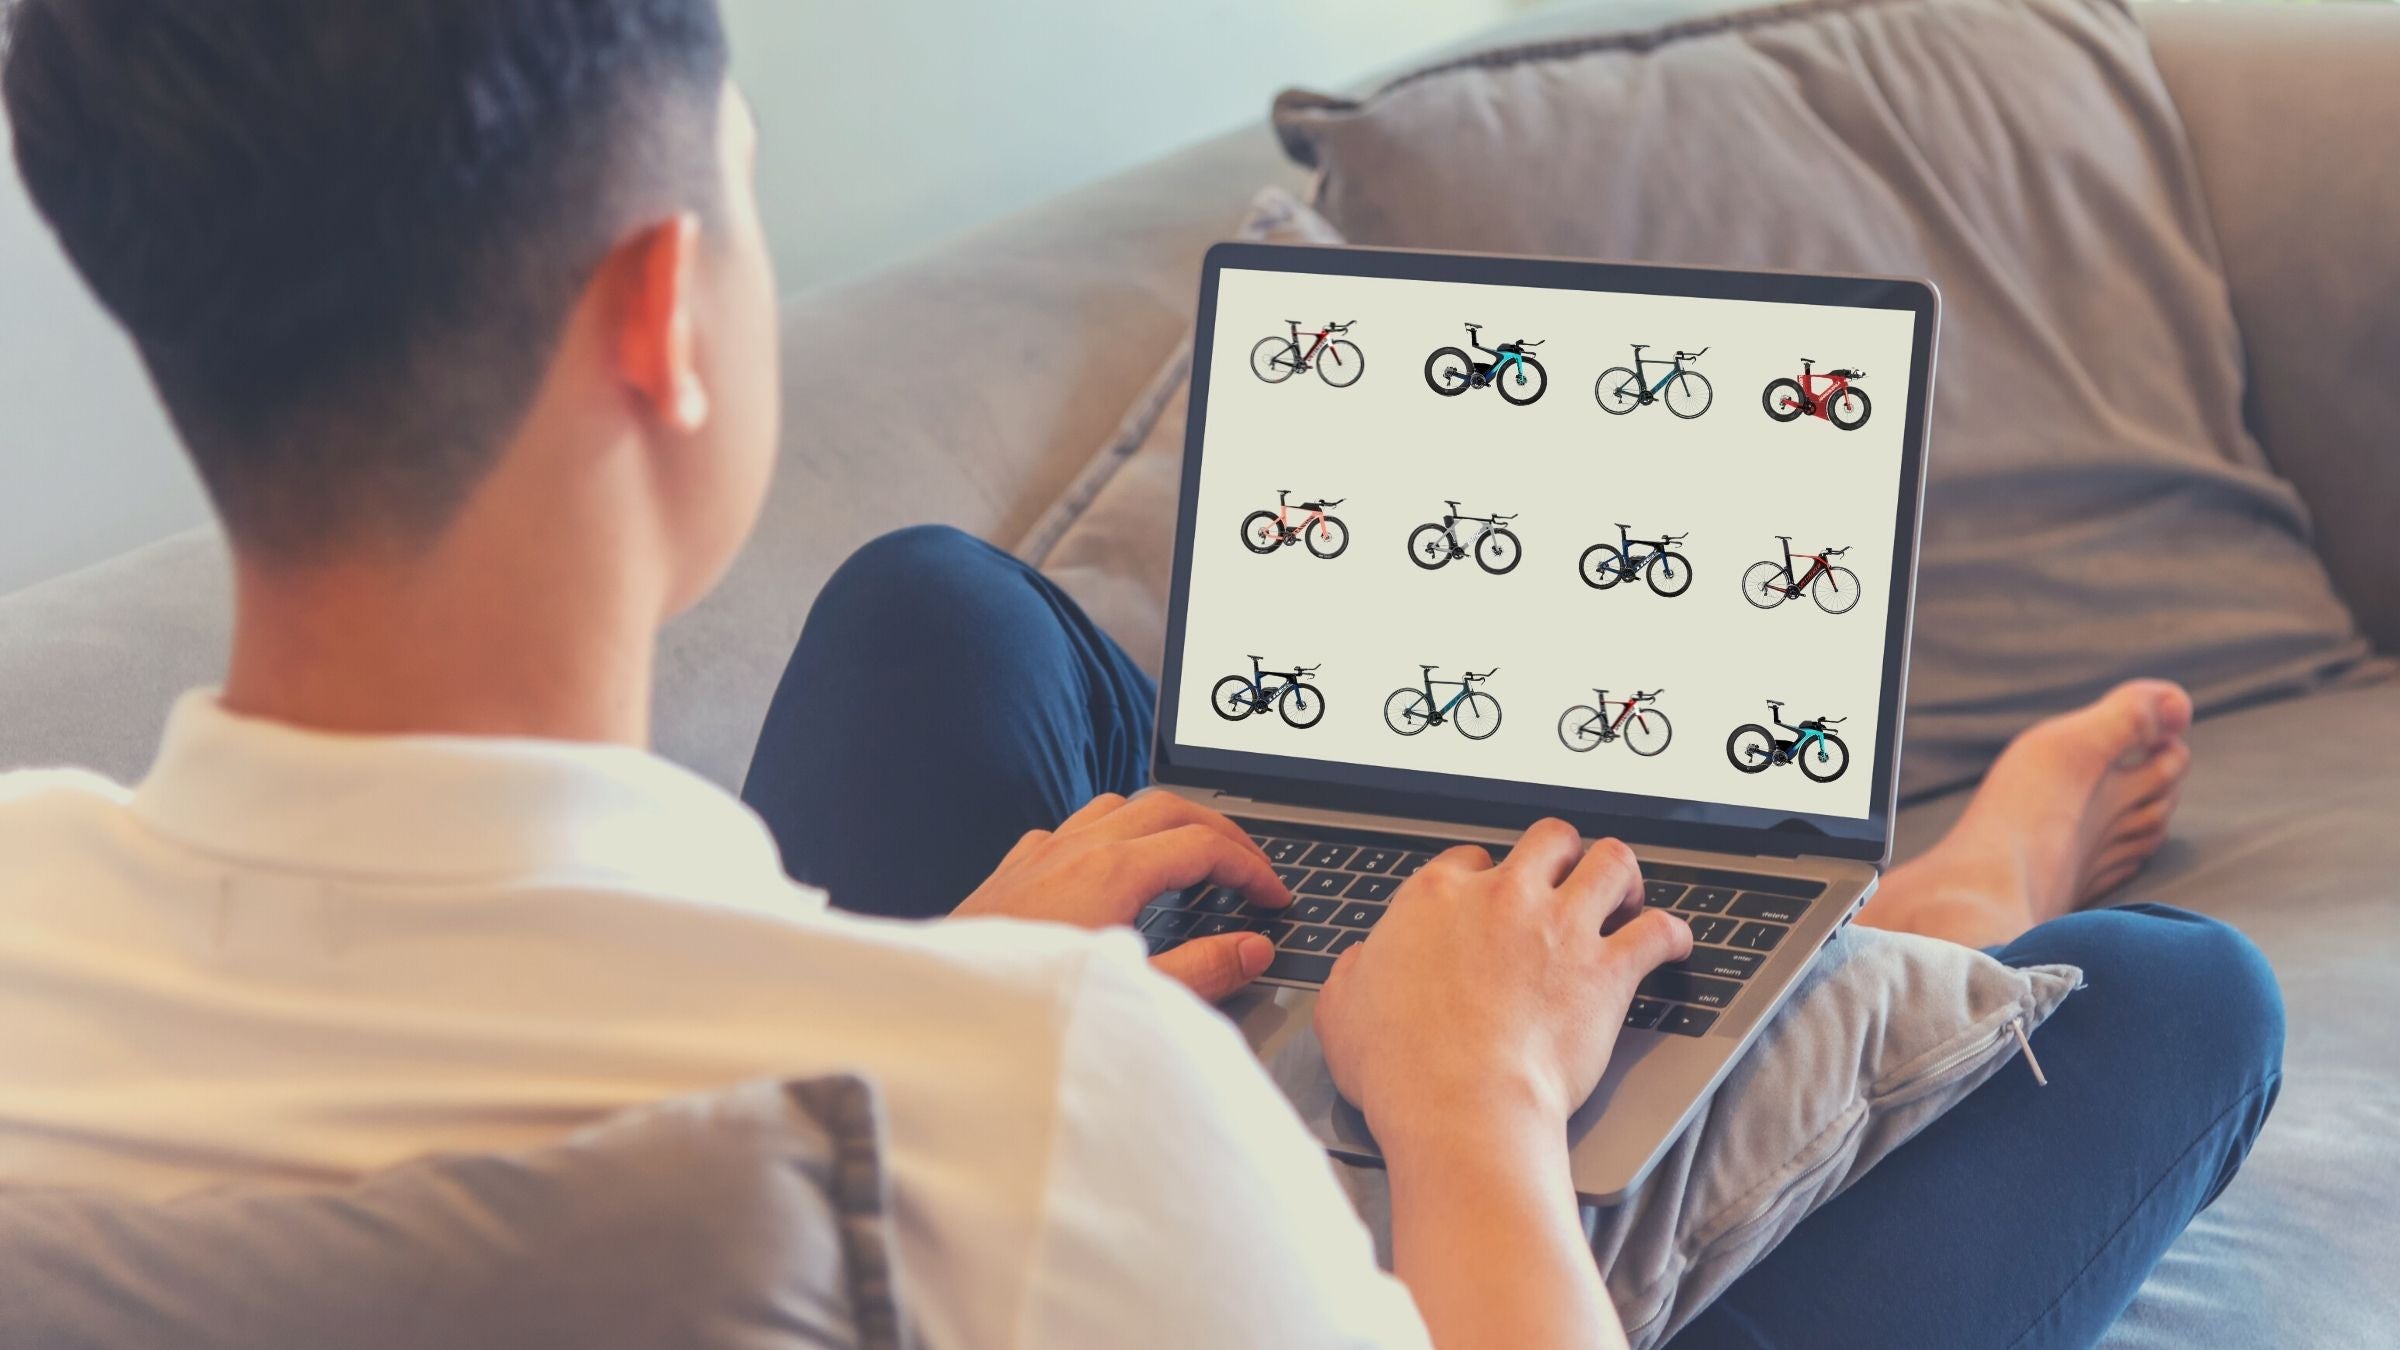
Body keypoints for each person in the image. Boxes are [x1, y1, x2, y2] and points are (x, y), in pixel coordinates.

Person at [0, 3, 2280, 1346]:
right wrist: (1467, 1105)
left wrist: (910, 977)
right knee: (2179, 1005)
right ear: (665, 318)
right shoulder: (1053, 1099)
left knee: (934, 606)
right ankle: (1937, 921)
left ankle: (1908, 926)